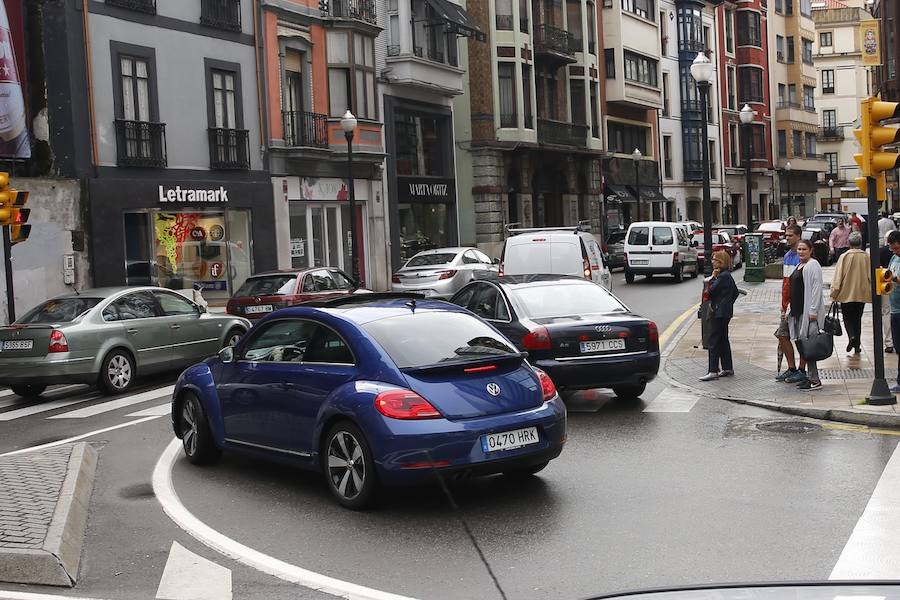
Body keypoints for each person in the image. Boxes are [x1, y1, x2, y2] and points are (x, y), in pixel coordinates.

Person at [786, 239, 826, 390]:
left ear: (810, 250)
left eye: (804, 249)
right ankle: (809, 377)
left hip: (808, 313)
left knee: (809, 346)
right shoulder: (799, 265)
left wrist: (813, 311)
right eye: (799, 249)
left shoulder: (813, 265)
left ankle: (815, 379)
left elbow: (816, 288)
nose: (801, 252)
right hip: (797, 311)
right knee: (802, 345)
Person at [700, 251, 740, 381]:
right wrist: (728, 303)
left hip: (718, 312)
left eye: (715, 259)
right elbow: (735, 292)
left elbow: (709, 293)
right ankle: (727, 368)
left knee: (713, 340)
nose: (712, 262)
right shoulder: (727, 276)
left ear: (721, 262)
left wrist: (711, 278)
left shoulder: (722, 277)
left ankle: (713, 371)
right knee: (723, 339)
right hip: (725, 312)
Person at [830, 231, 870, 355]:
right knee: (857, 318)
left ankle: (851, 336)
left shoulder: (844, 256)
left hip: (846, 293)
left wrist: (834, 292)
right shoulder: (866, 257)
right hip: (861, 293)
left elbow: (838, 277)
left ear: (849, 243)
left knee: (847, 317)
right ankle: (857, 344)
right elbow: (870, 276)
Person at [776, 225, 806, 383]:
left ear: (799, 236)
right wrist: (783, 305)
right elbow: (786, 283)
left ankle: (801, 369)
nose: (787, 238)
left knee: (801, 337)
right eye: (786, 235)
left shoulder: (803, 258)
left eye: (790, 235)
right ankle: (792, 367)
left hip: (800, 304)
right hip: (788, 305)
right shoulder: (787, 256)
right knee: (782, 335)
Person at [888, 230, 900, 392]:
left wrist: (895, 278)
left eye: (897, 248)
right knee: (898, 347)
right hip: (894, 308)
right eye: (893, 249)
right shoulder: (894, 258)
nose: (896, 251)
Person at [880, 231, 895, 353]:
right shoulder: (894, 255)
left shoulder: (881, 251)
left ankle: (889, 342)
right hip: (891, 286)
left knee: (886, 313)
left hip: (886, 287)